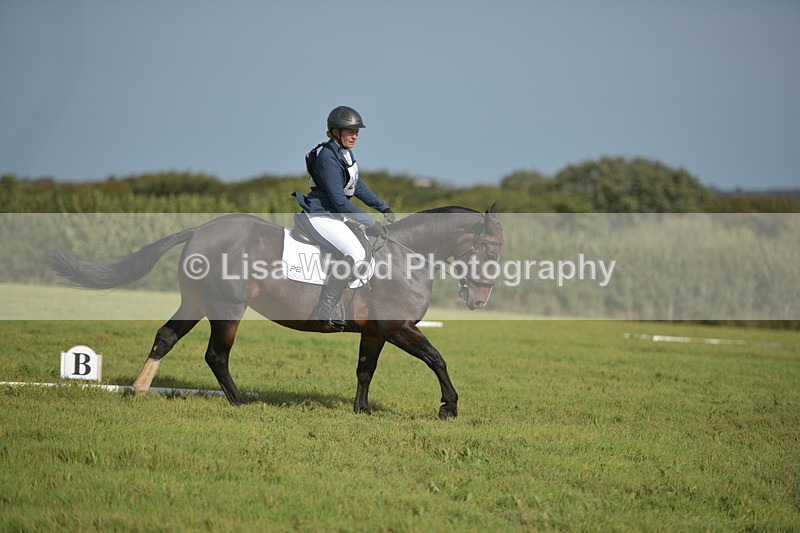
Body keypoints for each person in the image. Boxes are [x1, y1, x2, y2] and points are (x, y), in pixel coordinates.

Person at [293, 105, 395, 331]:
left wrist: (382, 206)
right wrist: (371, 222)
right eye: (350, 131)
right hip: (320, 215)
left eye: (357, 131)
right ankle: (325, 309)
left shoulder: (345, 154)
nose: (355, 135)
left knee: (362, 246)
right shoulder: (327, 157)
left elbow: (356, 186)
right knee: (356, 253)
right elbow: (340, 201)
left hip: (333, 216)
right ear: (334, 131)